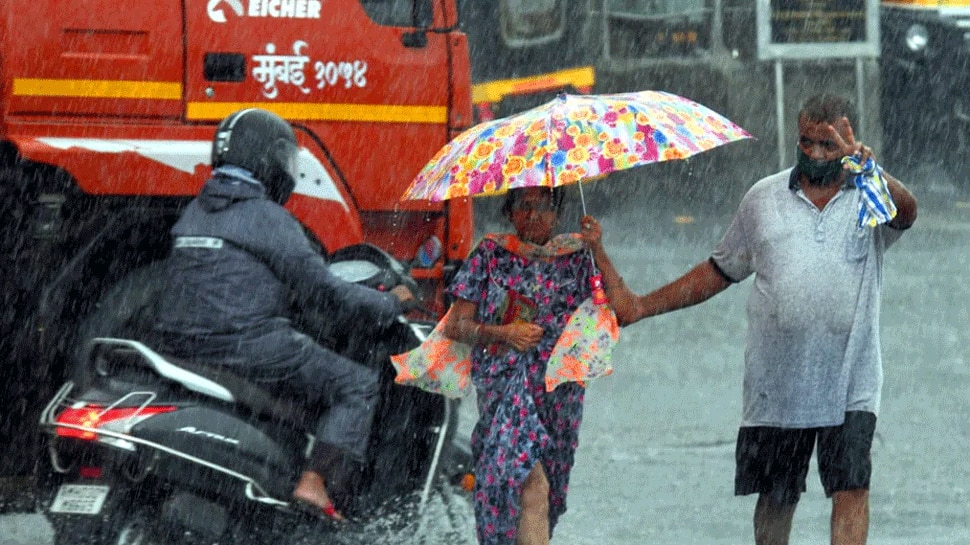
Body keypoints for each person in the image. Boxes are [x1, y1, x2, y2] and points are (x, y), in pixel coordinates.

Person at [626, 94, 918, 545]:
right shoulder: (762, 198)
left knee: (852, 488)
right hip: (778, 381)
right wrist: (644, 305)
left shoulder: (870, 194)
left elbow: (909, 213)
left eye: (828, 144)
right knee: (777, 496)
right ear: (796, 136)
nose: (816, 154)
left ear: (848, 140)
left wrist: (872, 170)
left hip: (851, 379)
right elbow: (718, 269)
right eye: (807, 142)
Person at [153, 108, 414, 521]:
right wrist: (389, 303)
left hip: (184, 345)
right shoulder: (268, 218)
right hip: (246, 346)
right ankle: (313, 483)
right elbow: (324, 291)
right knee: (357, 385)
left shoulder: (196, 212)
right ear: (272, 158)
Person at [442, 186, 638, 545]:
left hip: (560, 391)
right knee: (530, 483)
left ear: (558, 214)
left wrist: (597, 248)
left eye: (544, 207)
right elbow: (456, 325)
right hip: (506, 387)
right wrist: (504, 332)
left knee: (550, 497)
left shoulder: (577, 256)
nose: (534, 215)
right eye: (524, 206)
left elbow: (624, 309)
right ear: (510, 212)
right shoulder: (489, 255)